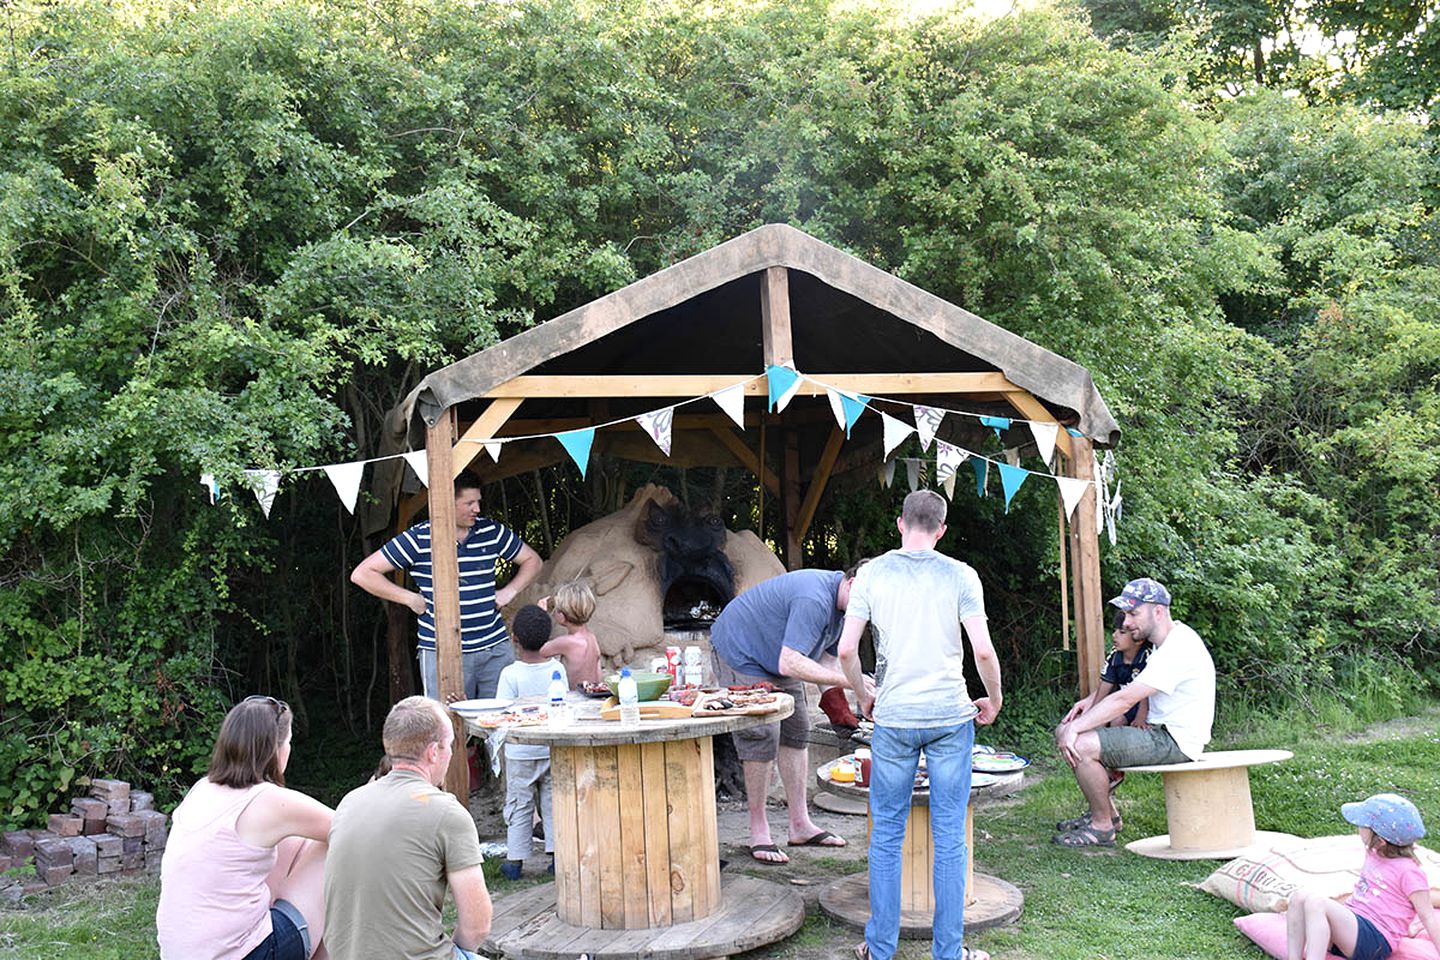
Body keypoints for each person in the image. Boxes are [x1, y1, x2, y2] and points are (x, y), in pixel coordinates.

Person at [839, 489, 1001, 960]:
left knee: (886, 833)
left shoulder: (870, 574)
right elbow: (984, 652)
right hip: (951, 717)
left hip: (893, 718)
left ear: (900, 523)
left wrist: (863, 695)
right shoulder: (961, 575)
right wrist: (993, 697)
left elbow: (848, 651)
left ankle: (879, 950)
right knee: (950, 836)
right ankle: (948, 954)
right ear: (942, 530)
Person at [708, 565, 867, 864]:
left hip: (780, 657)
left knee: (796, 731)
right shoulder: (815, 598)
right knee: (761, 734)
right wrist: (852, 682)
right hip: (741, 650)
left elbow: (827, 661)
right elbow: (790, 662)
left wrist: (836, 702)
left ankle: (800, 825)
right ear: (853, 583)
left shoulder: (847, 611)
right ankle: (759, 831)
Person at [156, 695, 333, 960]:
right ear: (276, 749)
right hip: (248, 955)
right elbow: (351, 828)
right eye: (289, 742)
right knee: (329, 847)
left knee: (297, 840)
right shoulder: (268, 800)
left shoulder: (201, 789)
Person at [351, 470, 543, 701]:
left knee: (503, 721)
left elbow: (533, 560)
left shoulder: (491, 531)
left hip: (494, 647)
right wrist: (410, 599)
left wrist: (509, 592)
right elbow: (362, 574)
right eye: (469, 503)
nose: (477, 509)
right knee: (447, 726)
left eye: (478, 502)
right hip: (442, 651)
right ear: (446, 502)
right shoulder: (419, 537)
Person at [323, 696, 491, 960]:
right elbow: (477, 925)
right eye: (450, 746)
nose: (450, 755)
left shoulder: (350, 802)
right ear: (433, 752)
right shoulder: (446, 813)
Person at [1053, 577, 1215, 848]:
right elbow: (1130, 684)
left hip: (1174, 740)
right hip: (1157, 732)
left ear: (1159, 611)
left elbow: (1126, 698)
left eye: (1133, 613)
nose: (1126, 622)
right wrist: (1089, 702)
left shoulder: (1178, 648)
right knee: (1066, 731)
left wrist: (1077, 728)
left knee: (1079, 743)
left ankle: (1102, 827)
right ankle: (1107, 815)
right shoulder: (1163, 643)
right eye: (1126, 614)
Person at [1287, 793, 1440, 960]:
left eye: (1363, 825)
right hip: (1352, 927)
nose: (1358, 827)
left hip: (1375, 940)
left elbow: (1428, 916)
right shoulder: (1373, 852)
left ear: (1380, 841)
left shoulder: (1409, 872)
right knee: (1299, 897)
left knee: (1317, 903)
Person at [495, 604, 566, 880]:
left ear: (514, 638)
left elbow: (501, 711)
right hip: (550, 748)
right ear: (547, 639)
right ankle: (556, 856)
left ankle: (515, 861)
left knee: (519, 803)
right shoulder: (557, 669)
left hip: (520, 752)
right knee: (552, 801)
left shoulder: (510, 675)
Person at [1061, 610, 1152, 793]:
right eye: (1115, 631)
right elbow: (1102, 691)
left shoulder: (1147, 656)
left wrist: (1141, 717)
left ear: (1138, 638)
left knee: (1118, 720)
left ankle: (1115, 768)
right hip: (1122, 703)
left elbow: (1147, 693)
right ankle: (1104, 769)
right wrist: (1085, 719)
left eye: (1121, 632)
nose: (1114, 635)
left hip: (1143, 704)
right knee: (1113, 720)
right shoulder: (1114, 656)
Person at [537, 579, 602, 686]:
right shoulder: (592, 638)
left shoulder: (567, 642)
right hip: (593, 696)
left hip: (576, 698)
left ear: (562, 616)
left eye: (555, 609)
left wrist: (540, 615)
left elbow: (539, 650)